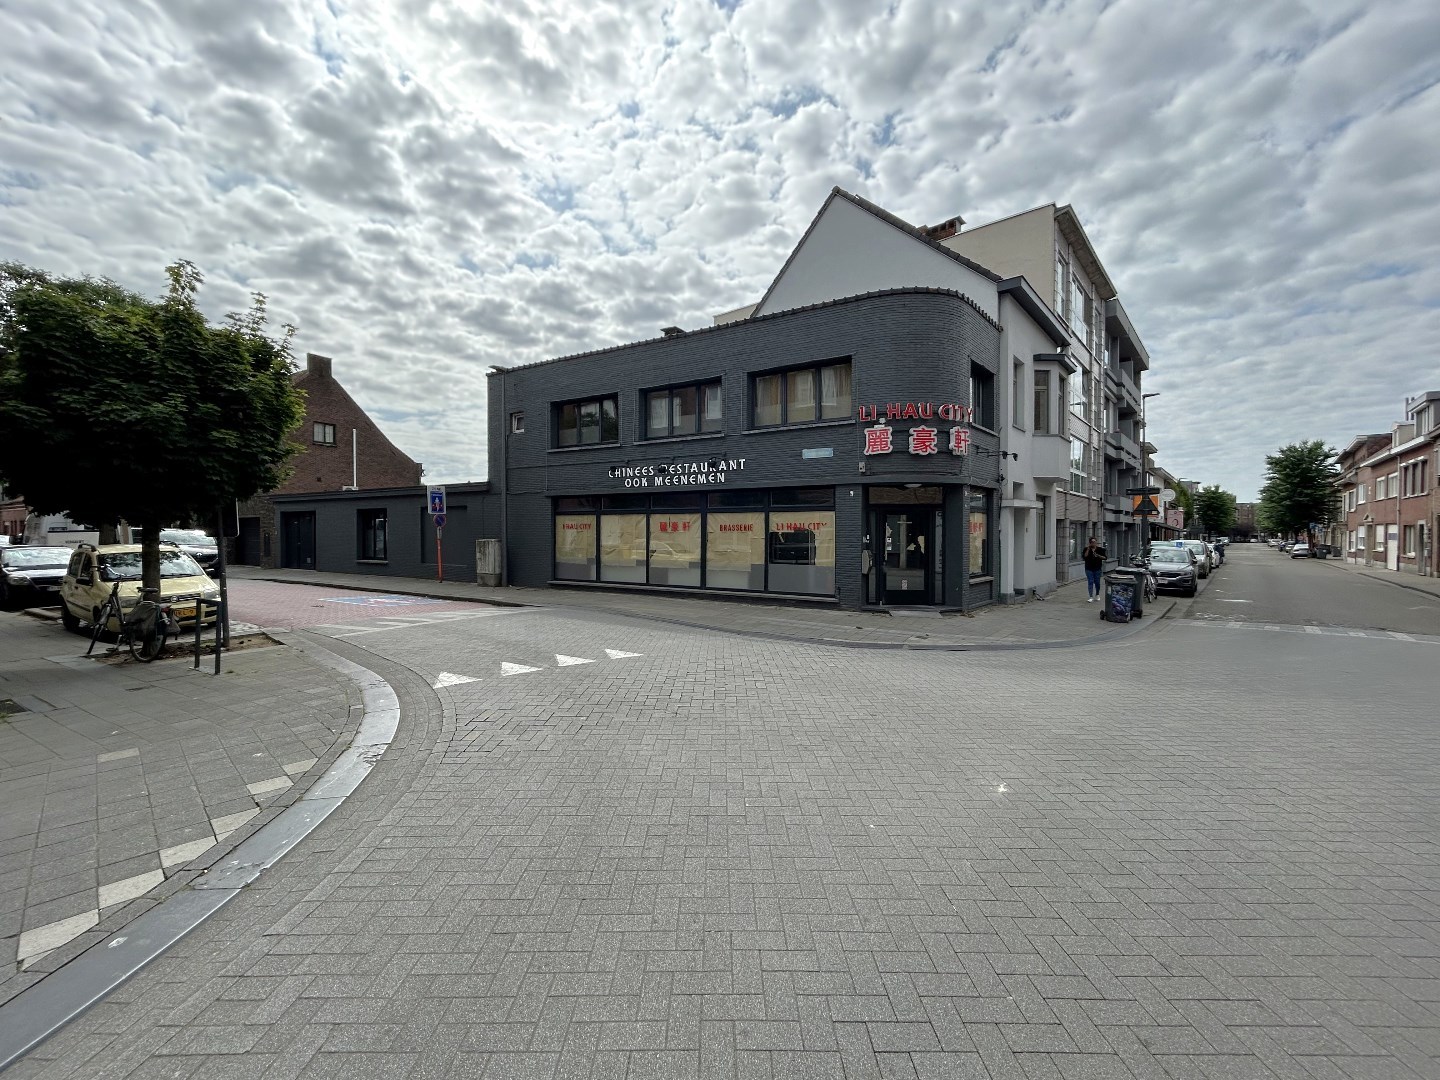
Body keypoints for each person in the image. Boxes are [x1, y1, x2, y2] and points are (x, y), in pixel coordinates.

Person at [1083, 536, 1107, 602]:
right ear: (1089, 543)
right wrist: (1088, 548)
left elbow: (1105, 558)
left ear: (1096, 542)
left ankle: (1097, 594)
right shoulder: (1086, 549)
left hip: (1097, 568)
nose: (1093, 543)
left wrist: (1098, 555)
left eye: (1094, 542)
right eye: (1091, 542)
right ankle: (1090, 596)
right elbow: (1084, 557)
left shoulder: (1100, 549)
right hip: (1089, 568)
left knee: (1097, 582)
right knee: (1090, 582)